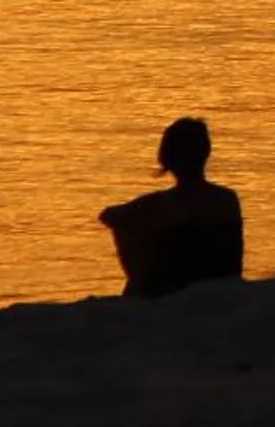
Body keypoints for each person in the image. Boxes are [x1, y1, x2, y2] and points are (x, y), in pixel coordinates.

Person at [99, 117, 245, 299]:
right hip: (223, 284)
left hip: (175, 288)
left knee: (128, 227)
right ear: (206, 153)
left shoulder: (160, 204)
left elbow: (108, 215)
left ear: (168, 159)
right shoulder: (227, 198)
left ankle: (139, 287)